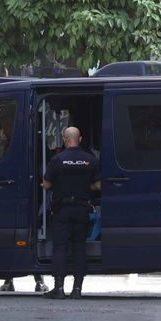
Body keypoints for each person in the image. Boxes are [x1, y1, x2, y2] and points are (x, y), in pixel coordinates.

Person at [41, 125, 99, 299]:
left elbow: (47, 184)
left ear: (65, 140)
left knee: (60, 247)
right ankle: (77, 290)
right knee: (79, 247)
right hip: (82, 209)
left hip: (62, 209)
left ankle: (59, 289)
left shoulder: (58, 159)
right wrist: (85, 186)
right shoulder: (90, 159)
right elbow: (98, 185)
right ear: (80, 139)